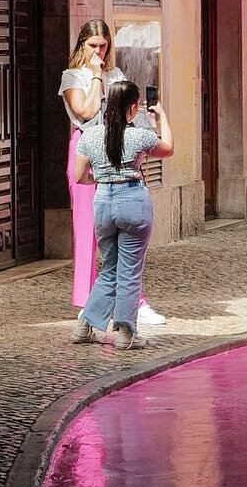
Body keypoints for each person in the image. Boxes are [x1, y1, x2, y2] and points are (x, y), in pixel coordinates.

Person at [59, 20, 167, 326]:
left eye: (103, 45)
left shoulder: (116, 74)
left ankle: (136, 300)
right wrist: (95, 77)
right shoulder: (71, 77)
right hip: (86, 147)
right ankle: (87, 300)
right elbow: (87, 112)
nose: (99, 51)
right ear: (82, 45)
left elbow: (126, 113)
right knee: (88, 230)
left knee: (127, 230)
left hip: (118, 148)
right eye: (93, 45)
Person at [73, 81, 174, 349]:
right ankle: (126, 333)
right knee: (129, 271)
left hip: (103, 200)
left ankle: (85, 326)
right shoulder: (140, 135)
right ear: (132, 108)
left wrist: (103, 176)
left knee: (110, 268)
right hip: (133, 201)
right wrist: (161, 116)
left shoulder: (89, 136)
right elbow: (168, 148)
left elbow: (79, 176)